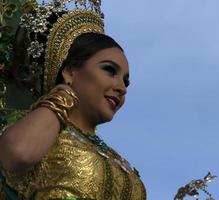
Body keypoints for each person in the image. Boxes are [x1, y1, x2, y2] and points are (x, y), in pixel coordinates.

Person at [0, 0, 146, 199]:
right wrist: (62, 96)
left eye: (126, 82)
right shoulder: (28, 124)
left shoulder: (116, 160)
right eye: (109, 70)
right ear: (70, 71)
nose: (121, 87)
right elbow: (18, 154)